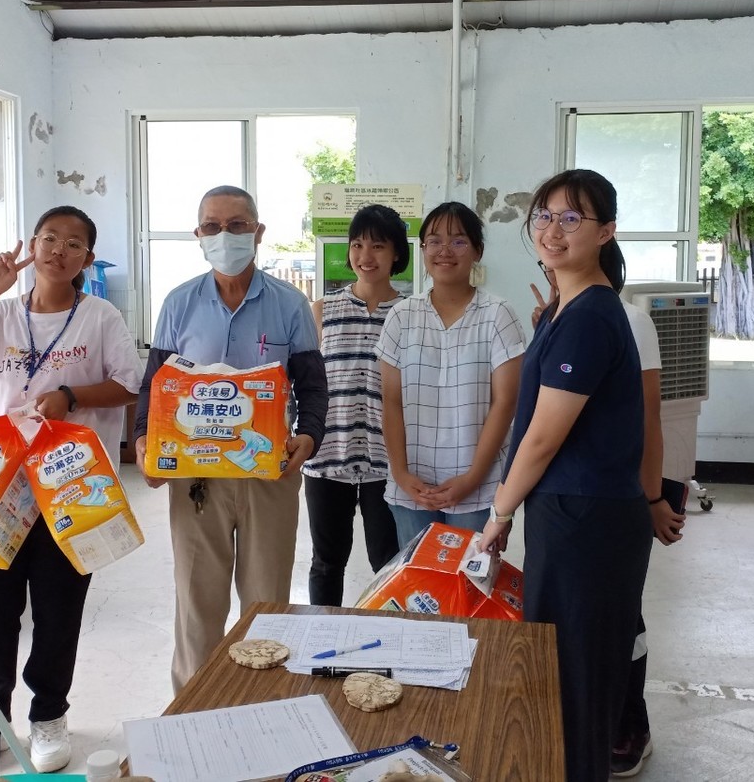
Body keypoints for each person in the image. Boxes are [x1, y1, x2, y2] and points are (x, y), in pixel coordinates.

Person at [0, 206, 142, 774]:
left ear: (87, 259)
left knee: (58, 609)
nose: (58, 249)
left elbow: (129, 385)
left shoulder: (99, 316)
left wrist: (72, 397)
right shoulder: (3, 313)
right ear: (31, 245)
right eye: (49, 238)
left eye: (73, 243)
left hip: (69, 489)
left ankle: (49, 714)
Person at [479, 170, 653, 782]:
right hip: (570, 515)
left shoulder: (590, 316)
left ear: (606, 231)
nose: (553, 230)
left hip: (590, 524)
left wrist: (498, 512)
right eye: (544, 216)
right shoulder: (564, 309)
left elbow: (545, 435)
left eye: (572, 219)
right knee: (562, 675)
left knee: (577, 684)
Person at [133, 185, 328, 692]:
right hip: (196, 478)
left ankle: (259, 703)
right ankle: (193, 707)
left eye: (238, 224)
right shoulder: (179, 304)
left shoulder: (289, 305)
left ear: (258, 233)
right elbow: (155, 387)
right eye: (213, 225)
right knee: (198, 600)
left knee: (267, 601)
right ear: (199, 235)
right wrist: (143, 444)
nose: (226, 234)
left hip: (269, 470)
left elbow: (311, 385)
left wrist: (308, 436)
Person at [531, 264, 686, 778]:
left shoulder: (625, 320)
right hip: (567, 505)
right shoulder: (559, 318)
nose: (553, 269)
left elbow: (646, 421)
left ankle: (629, 724)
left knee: (616, 628)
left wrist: (653, 497)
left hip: (610, 503)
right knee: (587, 632)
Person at [376, 201, 524, 546]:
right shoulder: (401, 316)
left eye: (458, 241)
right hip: (412, 486)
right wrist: (400, 473)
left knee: (469, 588)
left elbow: (505, 403)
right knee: (419, 591)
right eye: (434, 241)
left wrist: (472, 478)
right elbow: (391, 401)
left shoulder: (498, 315)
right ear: (423, 249)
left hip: (478, 486)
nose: (445, 250)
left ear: (477, 251)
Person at [301, 204, 407, 606]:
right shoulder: (322, 310)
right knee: (327, 562)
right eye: (357, 245)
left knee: (389, 562)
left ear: (396, 253)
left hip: (389, 461)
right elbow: (305, 383)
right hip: (328, 455)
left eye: (378, 246)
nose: (365, 256)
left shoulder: (411, 313)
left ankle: (391, 648)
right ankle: (323, 644)